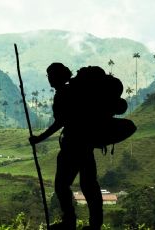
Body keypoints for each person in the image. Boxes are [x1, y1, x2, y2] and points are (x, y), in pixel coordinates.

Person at [29, 63, 103, 230]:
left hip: (73, 145)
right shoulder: (76, 91)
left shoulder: (64, 94)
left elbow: (60, 122)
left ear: (58, 76)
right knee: (89, 184)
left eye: (51, 75)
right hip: (87, 143)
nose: (49, 78)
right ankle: (95, 224)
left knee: (62, 185)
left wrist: (39, 138)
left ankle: (69, 222)